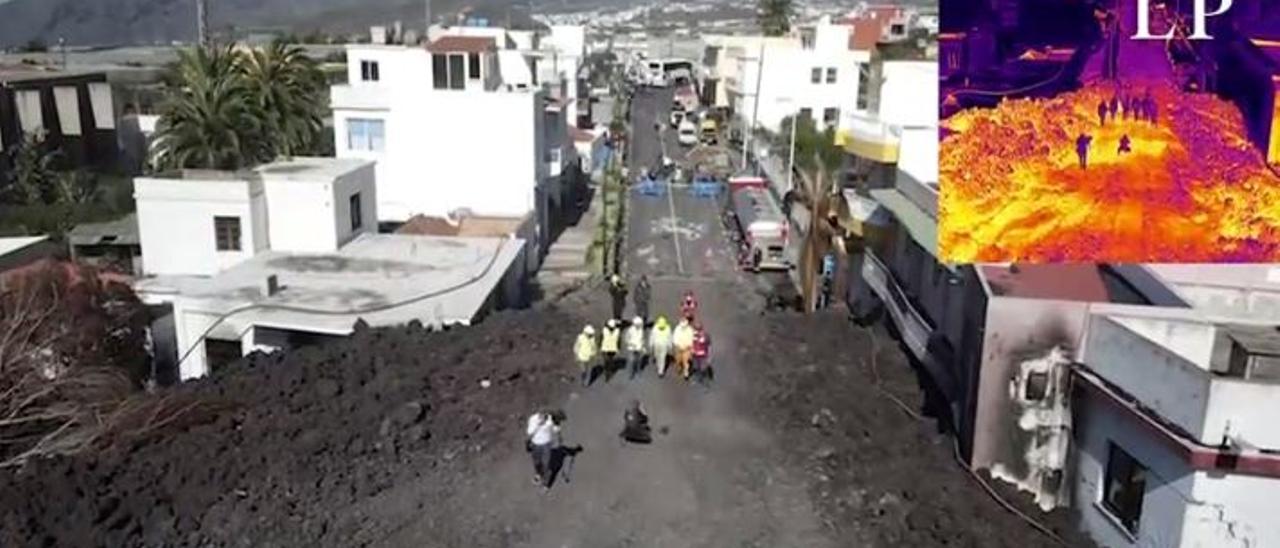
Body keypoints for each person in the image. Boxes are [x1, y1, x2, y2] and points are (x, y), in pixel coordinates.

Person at [526, 409, 562, 489]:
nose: (544, 417)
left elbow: (556, 429)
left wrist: (558, 435)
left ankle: (546, 484)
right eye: (542, 415)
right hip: (535, 444)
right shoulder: (533, 419)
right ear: (538, 415)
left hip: (546, 445)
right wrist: (539, 425)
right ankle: (538, 474)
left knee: (546, 464)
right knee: (537, 462)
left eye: (545, 415)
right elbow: (529, 432)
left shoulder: (550, 420)